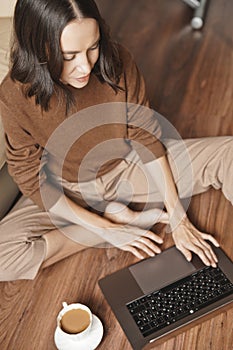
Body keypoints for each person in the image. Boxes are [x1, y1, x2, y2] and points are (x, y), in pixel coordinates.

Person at [0, 0, 232, 281]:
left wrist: (178, 217)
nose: (85, 66)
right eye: (69, 55)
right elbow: (28, 175)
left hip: (130, 166)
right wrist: (104, 229)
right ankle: (114, 218)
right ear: (38, 48)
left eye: (93, 47)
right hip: (65, 188)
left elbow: (145, 136)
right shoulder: (14, 95)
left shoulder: (117, 60)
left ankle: (118, 213)